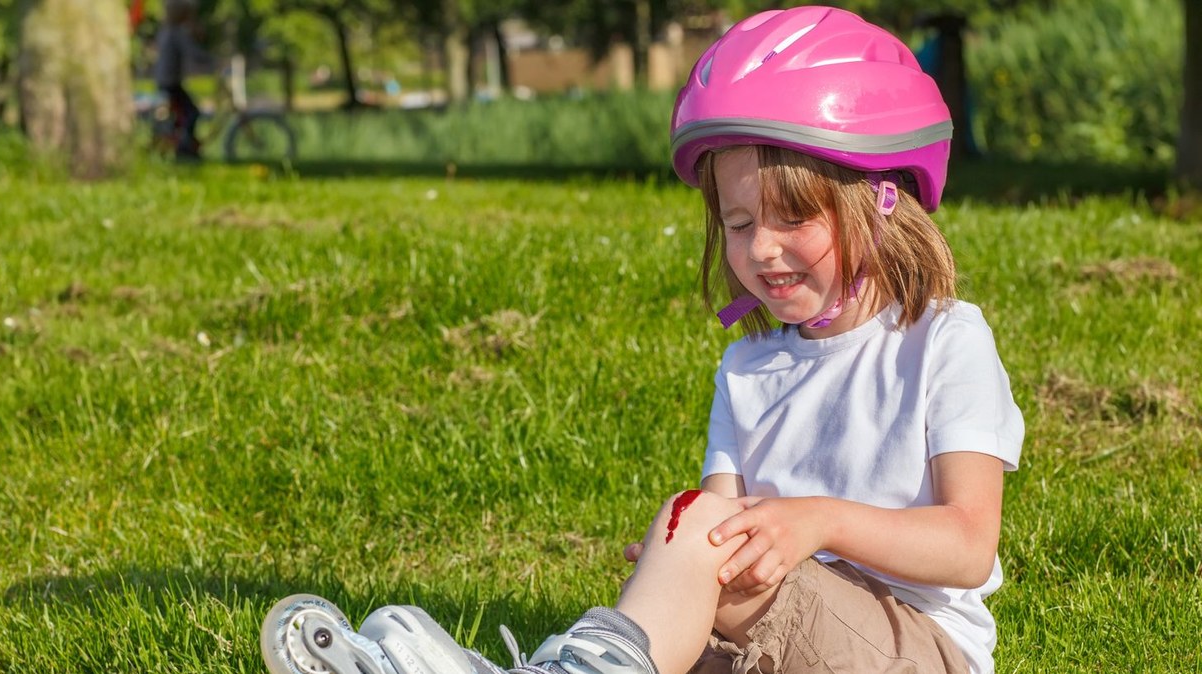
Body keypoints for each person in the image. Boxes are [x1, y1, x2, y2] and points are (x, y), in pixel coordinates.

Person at [260, 6, 1024, 674]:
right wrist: (681, 561)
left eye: (794, 218)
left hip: (912, 648)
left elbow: (967, 544)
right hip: (769, 638)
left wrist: (816, 520)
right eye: (739, 223)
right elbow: (717, 525)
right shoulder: (747, 367)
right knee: (690, 525)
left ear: (882, 202)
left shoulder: (943, 341)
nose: (761, 249)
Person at [154, 0, 212, 160]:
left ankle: (184, 143)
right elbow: (193, 53)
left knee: (182, 114)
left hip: (165, 80)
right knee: (192, 113)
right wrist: (215, 62)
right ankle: (185, 148)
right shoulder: (176, 33)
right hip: (170, 82)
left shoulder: (166, 31)